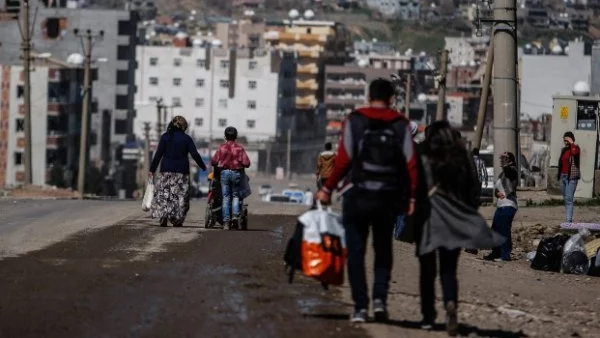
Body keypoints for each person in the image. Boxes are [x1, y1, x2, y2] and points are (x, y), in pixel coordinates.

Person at [315, 78, 418, 323]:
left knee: (356, 253)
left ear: (369, 96)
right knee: (383, 250)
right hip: (387, 197)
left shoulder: (355, 120)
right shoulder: (400, 124)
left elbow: (342, 160)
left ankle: (361, 307)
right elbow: (411, 164)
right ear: (392, 98)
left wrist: (327, 189)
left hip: (357, 196)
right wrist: (412, 196)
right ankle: (380, 300)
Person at [414, 121, 504, 335]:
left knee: (427, 272)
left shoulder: (422, 154)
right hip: (454, 220)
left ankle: (428, 317)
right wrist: (468, 211)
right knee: (448, 270)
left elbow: (413, 186)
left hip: (428, 219)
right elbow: (474, 186)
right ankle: (450, 303)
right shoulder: (461, 156)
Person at [149, 116, 207, 227]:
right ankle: (177, 219)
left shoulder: (165, 137)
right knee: (180, 196)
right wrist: (202, 166)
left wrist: (152, 169)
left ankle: (163, 216)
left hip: (166, 170)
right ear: (184, 127)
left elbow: (158, 154)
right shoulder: (187, 139)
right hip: (182, 172)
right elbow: (194, 154)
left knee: (165, 194)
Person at [211, 126, 251, 229]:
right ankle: (235, 217)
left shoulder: (221, 147)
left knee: (226, 197)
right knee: (236, 196)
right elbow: (247, 163)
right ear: (236, 136)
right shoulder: (239, 148)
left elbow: (213, 161)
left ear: (225, 136)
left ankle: (226, 222)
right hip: (236, 173)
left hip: (224, 173)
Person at [484, 152, 519, 262]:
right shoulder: (501, 174)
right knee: (495, 230)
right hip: (500, 205)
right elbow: (497, 189)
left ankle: (505, 255)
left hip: (509, 205)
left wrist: (506, 165)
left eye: (505, 158)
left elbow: (509, 172)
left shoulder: (512, 170)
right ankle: (495, 253)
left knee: (504, 230)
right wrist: (497, 193)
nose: (502, 159)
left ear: (510, 160)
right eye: (502, 158)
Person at [557, 131, 580, 223]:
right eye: (564, 140)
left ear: (571, 140)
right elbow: (561, 163)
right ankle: (567, 218)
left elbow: (574, 153)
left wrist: (572, 143)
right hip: (563, 177)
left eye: (567, 140)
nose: (565, 142)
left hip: (572, 177)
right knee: (566, 199)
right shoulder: (564, 150)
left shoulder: (575, 148)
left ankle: (568, 220)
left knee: (569, 199)